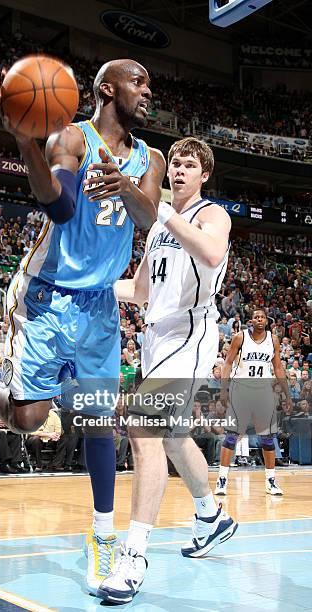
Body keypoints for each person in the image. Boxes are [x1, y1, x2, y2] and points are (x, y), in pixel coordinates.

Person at [0, 58, 166, 595]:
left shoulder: (153, 158)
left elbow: (148, 219)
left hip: (99, 304)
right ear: (107, 88)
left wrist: (124, 185)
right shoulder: (71, 139)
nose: (148, 91)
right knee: (29, 419)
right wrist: (24, 141)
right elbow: (60, 205)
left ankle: (102, 535)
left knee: (102, 422)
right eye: (139, 81)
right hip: (48, 296)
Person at [98, 137, 236, 603]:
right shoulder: (158, 229)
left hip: (191, 334)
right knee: (173, 438)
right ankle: (211, 515)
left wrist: (163, 212)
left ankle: (134, 554)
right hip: (157, 339)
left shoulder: (210, 214)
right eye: (174, 162)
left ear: (203, 176)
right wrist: (88, 284)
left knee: (141, 427)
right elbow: (140, 291)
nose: (177, 169)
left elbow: (213, 254)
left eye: (188, 164)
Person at [214, 308, 293, 497]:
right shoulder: (240, 338)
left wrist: (287, 394)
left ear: (267, 321)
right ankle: (222, 479)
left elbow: (278, 368)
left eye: (262, 317)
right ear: (251, 320)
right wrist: (223, 389)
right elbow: (227, 363)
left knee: (267, 438)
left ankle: (271, 481)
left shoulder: (273, 340)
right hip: (240, 390)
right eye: (256, 316)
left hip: (263, 392)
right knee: (232, 436)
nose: (259, 319)